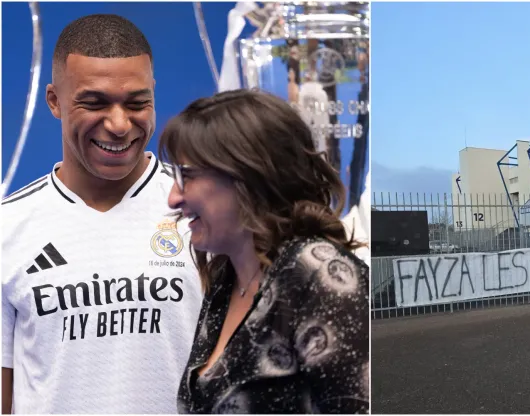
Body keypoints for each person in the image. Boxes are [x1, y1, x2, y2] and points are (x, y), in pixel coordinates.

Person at [1, 14, 202, 414]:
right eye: (94, 103)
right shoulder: (8, 228)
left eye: (136, 103)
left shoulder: (205, 212)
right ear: (55, 101)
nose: (118, 124)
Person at [158, 89, 370, 414]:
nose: (173, 197)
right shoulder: (226, 280)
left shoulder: (317, 275)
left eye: (187, 175)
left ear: (248, 176)